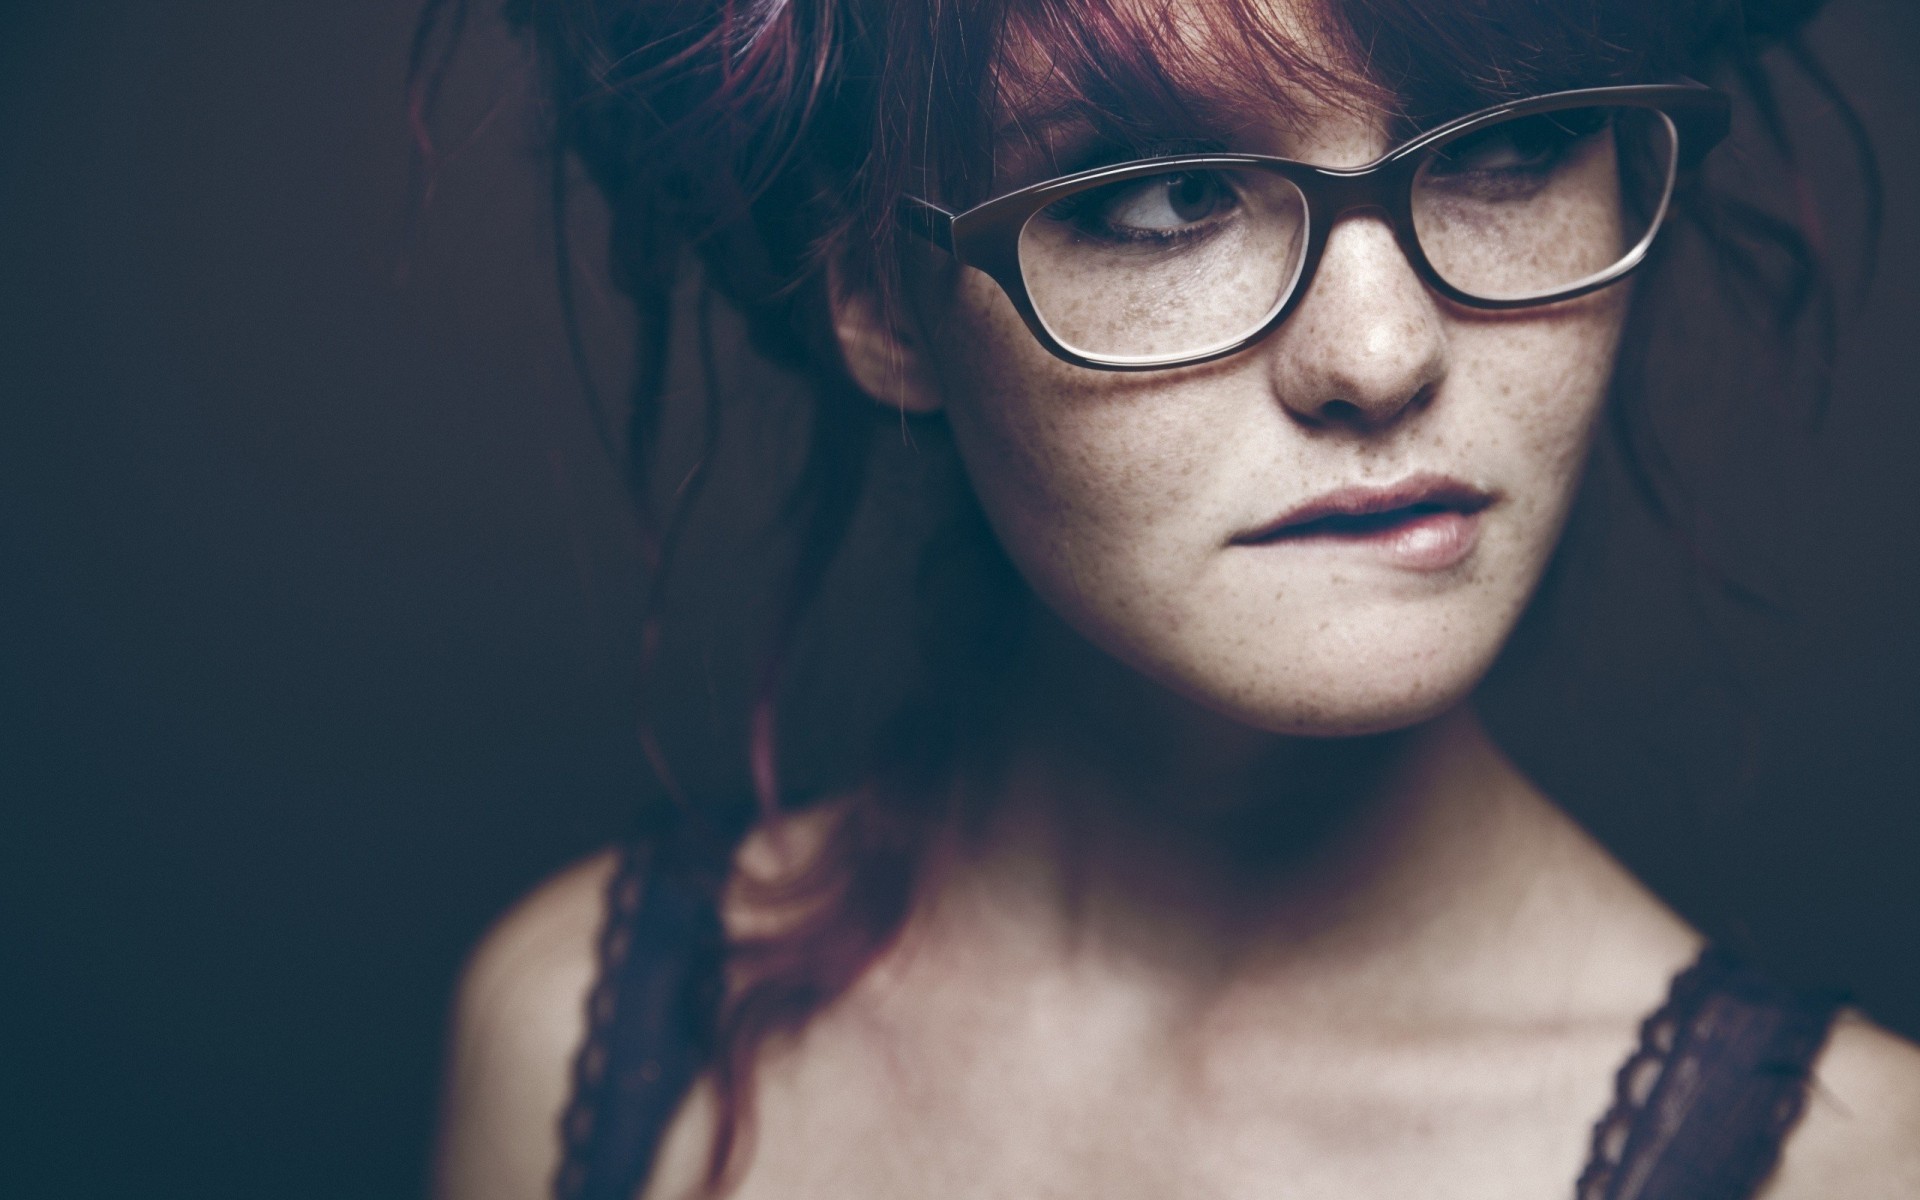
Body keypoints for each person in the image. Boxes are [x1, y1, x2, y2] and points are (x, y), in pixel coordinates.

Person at [424, 1, 1920, 1197]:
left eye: (1515, 143)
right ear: (878, 287)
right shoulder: (579, 1044)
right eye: (1170, 194)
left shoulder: (1858, 1168)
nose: (1383, 353)